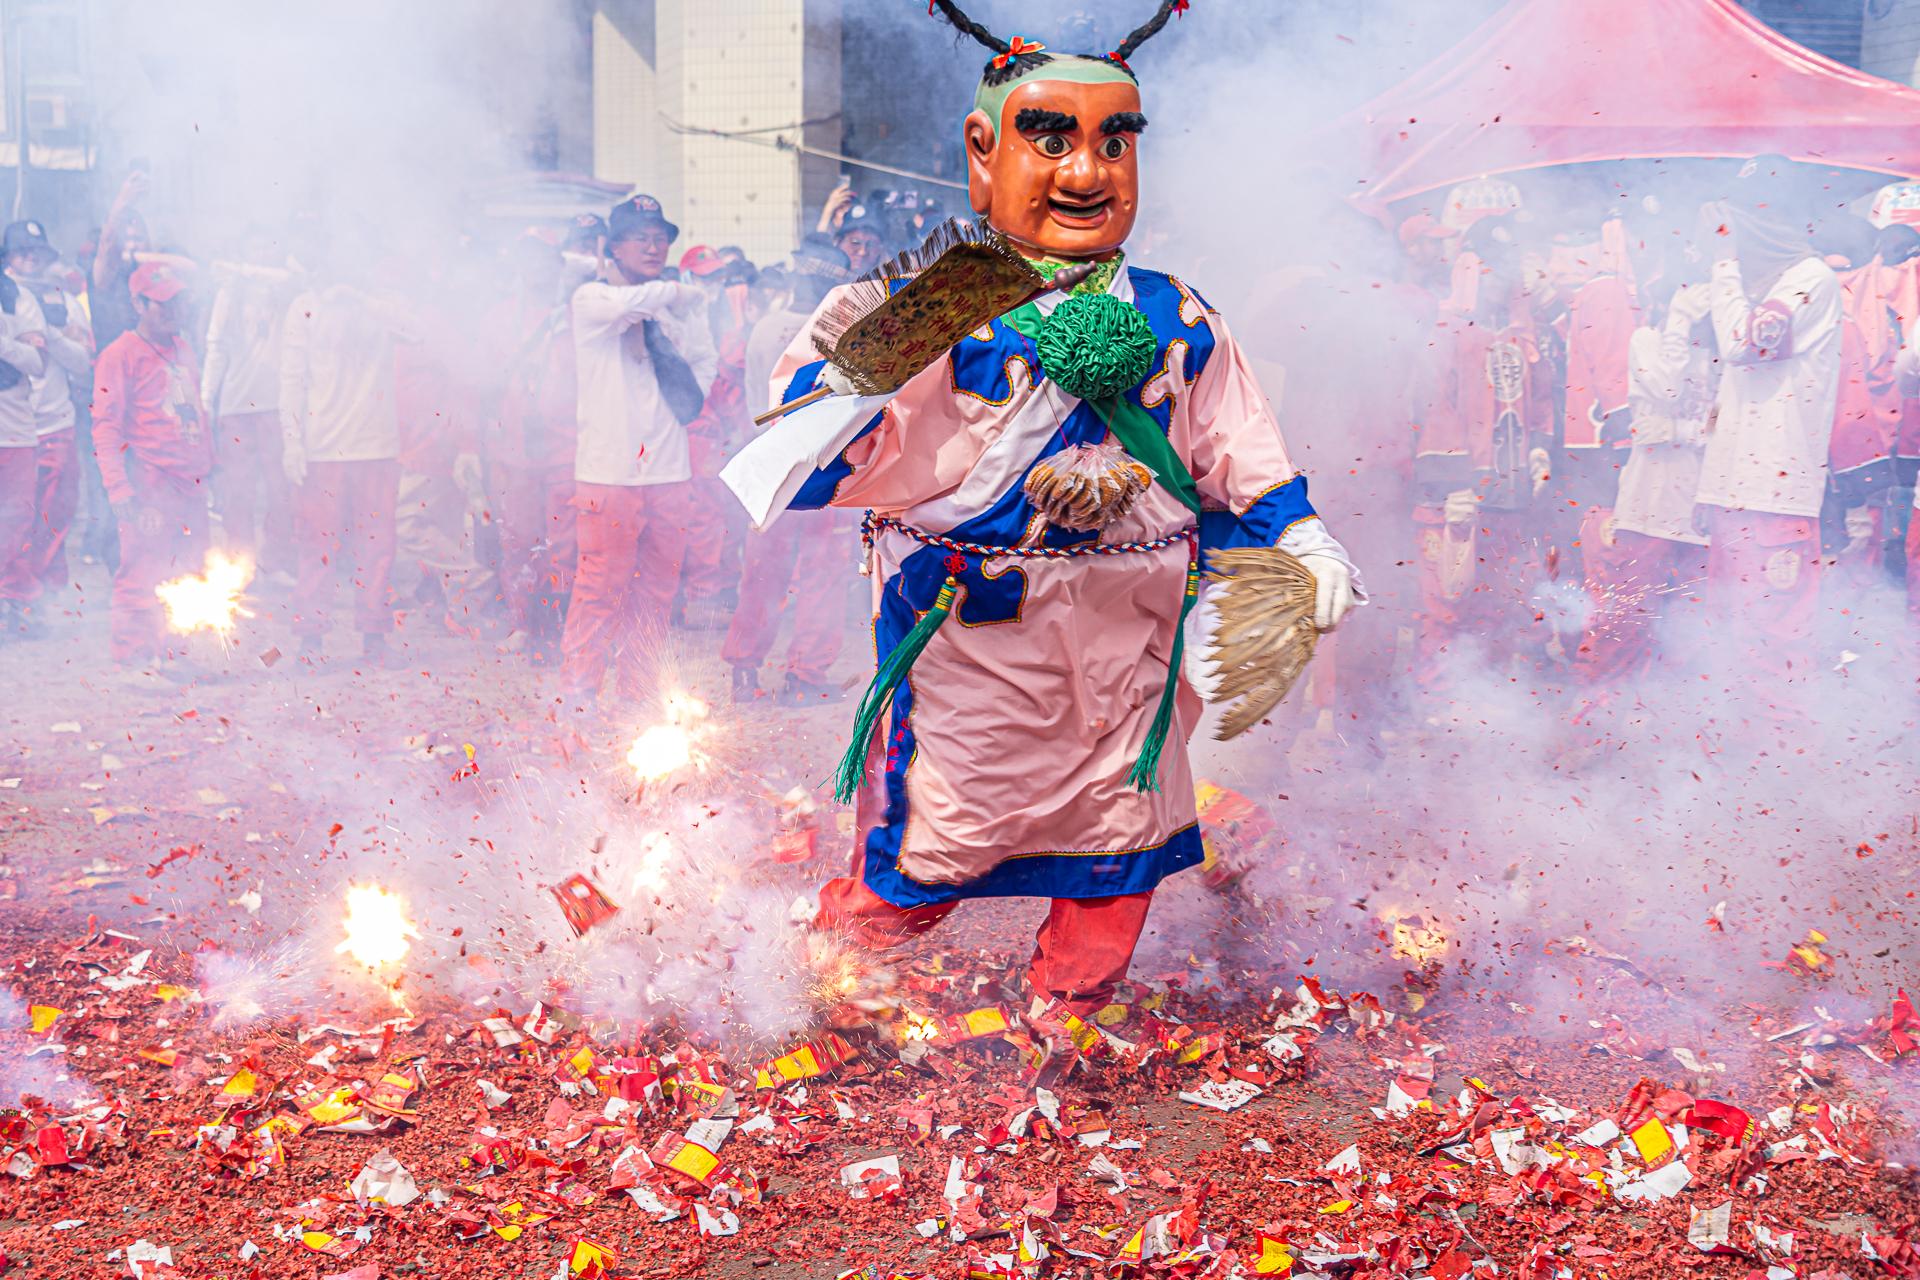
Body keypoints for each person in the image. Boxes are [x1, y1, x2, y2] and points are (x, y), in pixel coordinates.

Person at [723, 3, 1360, 1050]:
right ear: (985, 152)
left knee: (1122, 837)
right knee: (930, 849)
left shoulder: (1180, 313)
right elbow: (808, 435)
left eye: (1115, 140)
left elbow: (1235, 442)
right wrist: (881, 352)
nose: (1086, 171)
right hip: (977, 635)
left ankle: (1067, 1011)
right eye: (1051, 137)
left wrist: (1301, 535)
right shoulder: (923, 299)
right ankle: (816, 961)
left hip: (1131, 638)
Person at [1692, 158, 1843, 719]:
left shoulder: (1811, 279)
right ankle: (1730, 781)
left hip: (1776, 501)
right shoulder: (1766, 286)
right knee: (1726, 639)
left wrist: (1725, 265)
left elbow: (1743, 342)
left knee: (1775, 649)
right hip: (1736, 495)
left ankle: (1785, 788)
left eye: (1736, 222)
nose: (1726, 235)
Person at [558, 194, 716, 717]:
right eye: (640, 237)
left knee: (657, 590)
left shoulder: (680, 307)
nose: (653, 245)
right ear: (614, 247)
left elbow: (704, 360)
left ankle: (636, 692)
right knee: (600, 585)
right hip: (609, 473)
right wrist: (675, 293)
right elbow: (632, 305)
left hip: (669, 470)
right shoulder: (591, 300)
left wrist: (681, 405)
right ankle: (580, 692)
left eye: (660, 236)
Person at [1411, 216, 1551, 688]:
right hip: (1457, 494)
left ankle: (1486, 714)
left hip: (1510, 495)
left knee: (1501, 602)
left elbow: (1541, 398)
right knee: (1447, 603)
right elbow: (1433, 404)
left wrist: (1540, 451)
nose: (1501, 276)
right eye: (1491, 265)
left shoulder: (1521, 330)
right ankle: (1434, 707)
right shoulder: (1446, 328)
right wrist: (1452, 486)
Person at [721, 236, 852, 702]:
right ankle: (804, 677)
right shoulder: (843, 333)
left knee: (761, 573)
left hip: (770, 468)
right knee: (822, 576)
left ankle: (744, 670)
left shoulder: (765, 327)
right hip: (825, 475)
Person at [1571, 276, 1714, 697]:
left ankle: (1667, 740)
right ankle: (1595, 728)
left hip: (1700, 512)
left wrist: (1678, 430)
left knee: (1689, 636)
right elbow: (1668, 387)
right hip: (1647, 509)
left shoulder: (1720, 357)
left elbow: (1719, 424)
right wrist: (1680, 323)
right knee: (1621, 625)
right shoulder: (1646, 341)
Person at [279, 246, 420, 666]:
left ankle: (374, 640)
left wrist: (359, 299)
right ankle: (311, 642)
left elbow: (415, 331)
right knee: (317, 548)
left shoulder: (381, 305)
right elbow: (291, 379)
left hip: (377, 447)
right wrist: (292, 442)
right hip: (323, 450)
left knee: (377, 548)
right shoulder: (303, 308)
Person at [91, 261, 209, 673]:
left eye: (177, 301)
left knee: (191, 567)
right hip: (149, 482)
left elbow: (195, 411)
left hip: (190, 482)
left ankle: (177, 652)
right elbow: (104, 426)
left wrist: (208, 465)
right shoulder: (119, 354)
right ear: (138, 304)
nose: (172, 311)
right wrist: (118, 488)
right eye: (161, 304)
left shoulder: (183, 348)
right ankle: (136, 657)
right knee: (143, 570)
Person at [479, 229, 577, 663]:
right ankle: (524, 625)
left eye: (546, 260)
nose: (537, 269)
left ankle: (565, 627)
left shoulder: (578, 316)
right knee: (518, 540)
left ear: (559, 266)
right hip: (512, 450)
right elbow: (480, 384)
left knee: (567, 542)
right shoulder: (497, 318)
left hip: (567, 449)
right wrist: (474, 445)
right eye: (529, 259)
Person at [0, 220, 90, 635]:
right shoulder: (11, 297)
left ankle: (43, 600)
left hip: (51, 423)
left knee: (49, 517)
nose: (29, 259)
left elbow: (81, 360)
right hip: (17, 423)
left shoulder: (61, 300)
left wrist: (49, 335)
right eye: (20, 252)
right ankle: (18, 600)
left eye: (35, 252)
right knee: (14, 519)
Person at [202, 233, 296, 576]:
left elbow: (293, 280)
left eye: (268, 245)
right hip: (236, 407)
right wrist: (205, 398)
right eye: (255, 246)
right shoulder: (230, 292)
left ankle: (276, 560)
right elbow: (216, 346)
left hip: (276, 406)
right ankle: (240, 564)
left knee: (280, 491)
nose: (263, 251)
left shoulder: (286, 289)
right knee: (237, 492)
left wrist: (245, 270)